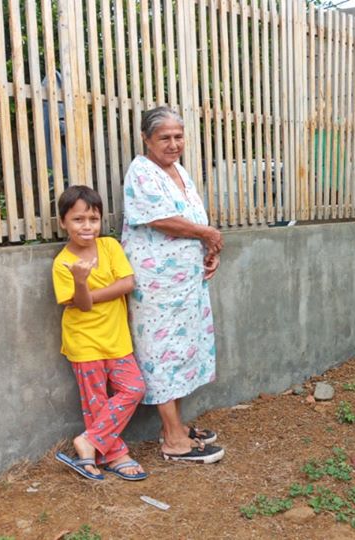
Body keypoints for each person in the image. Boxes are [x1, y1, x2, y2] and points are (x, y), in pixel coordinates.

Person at [122, 106, 225, 464]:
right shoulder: (141, 171)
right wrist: (207, 234)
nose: (173, 143)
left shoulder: (179, 171)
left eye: (178, 136)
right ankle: (173, 440)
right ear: (146, 139)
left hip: (185, 282)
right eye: (164, 137)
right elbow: (160, 219)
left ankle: (175, 427)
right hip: (158, 284)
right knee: (160, 351)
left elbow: (191, 220)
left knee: (181, 350)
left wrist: (209, 250)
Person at [51, 185, 148, 481]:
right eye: (78, 219)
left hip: (117, 339)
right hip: (84, 343)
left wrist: (89, 293)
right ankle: (114, 455)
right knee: (96, 401)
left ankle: (89, 441)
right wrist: (80, 281)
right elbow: (81, 305)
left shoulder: (109, 247)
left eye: (93, 219)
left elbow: (127, 283)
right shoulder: (62, 263)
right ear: (63, 222)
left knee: (134, 388)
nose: (87, 226)